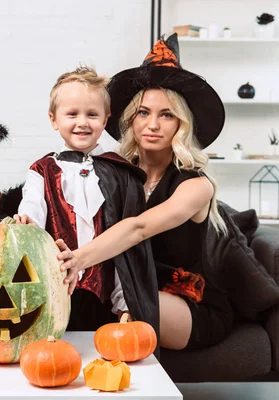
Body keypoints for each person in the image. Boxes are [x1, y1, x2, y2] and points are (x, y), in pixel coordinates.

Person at [60, 34, 233, 351]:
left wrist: (76, 261)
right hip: (126, 285)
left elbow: (138, 229)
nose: (152, 124)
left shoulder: (196, 185)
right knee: (90, 295)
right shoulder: (113, 173)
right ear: (130, 118)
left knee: (132, 299)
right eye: (143, 112)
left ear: (181, 123)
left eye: (166, 114)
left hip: (184, 301)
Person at [17, 66, 159, 333]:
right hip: (55, 290)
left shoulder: (122, 173)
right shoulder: (41, 170)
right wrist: (27, 221)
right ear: (53, 119)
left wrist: (124, 302)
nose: (82, 122)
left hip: (104, 294)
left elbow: (125, 245)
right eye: (72, 114)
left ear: (105, 121)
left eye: (91, 115)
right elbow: (33, 204)